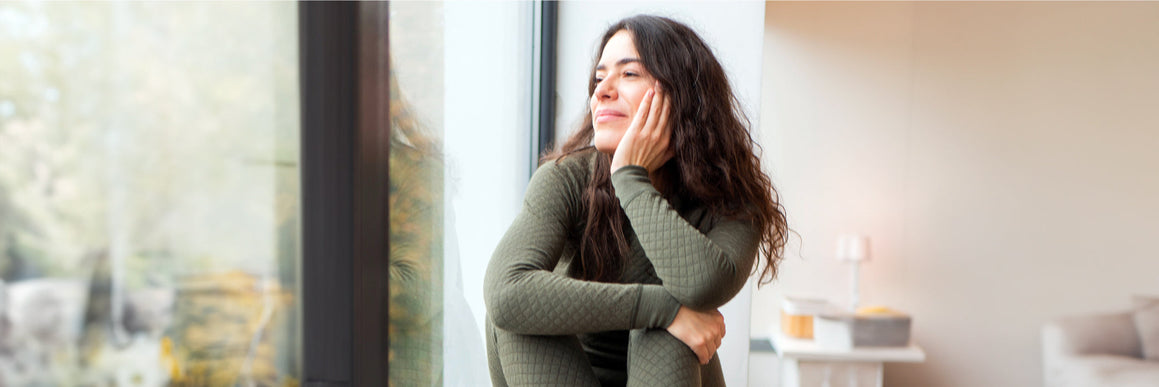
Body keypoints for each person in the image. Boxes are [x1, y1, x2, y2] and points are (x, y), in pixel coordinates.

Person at [484, 15, 789, 387]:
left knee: (669, 326)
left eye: (628, 74)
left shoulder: (731, 197)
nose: (602, 92)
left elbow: (704, 285)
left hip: (669, 373)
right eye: (599, 78)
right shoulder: (565, 179)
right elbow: (504, 293)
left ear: (683, 94)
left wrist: (630, 177)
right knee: (518, 313)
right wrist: (662, 308)